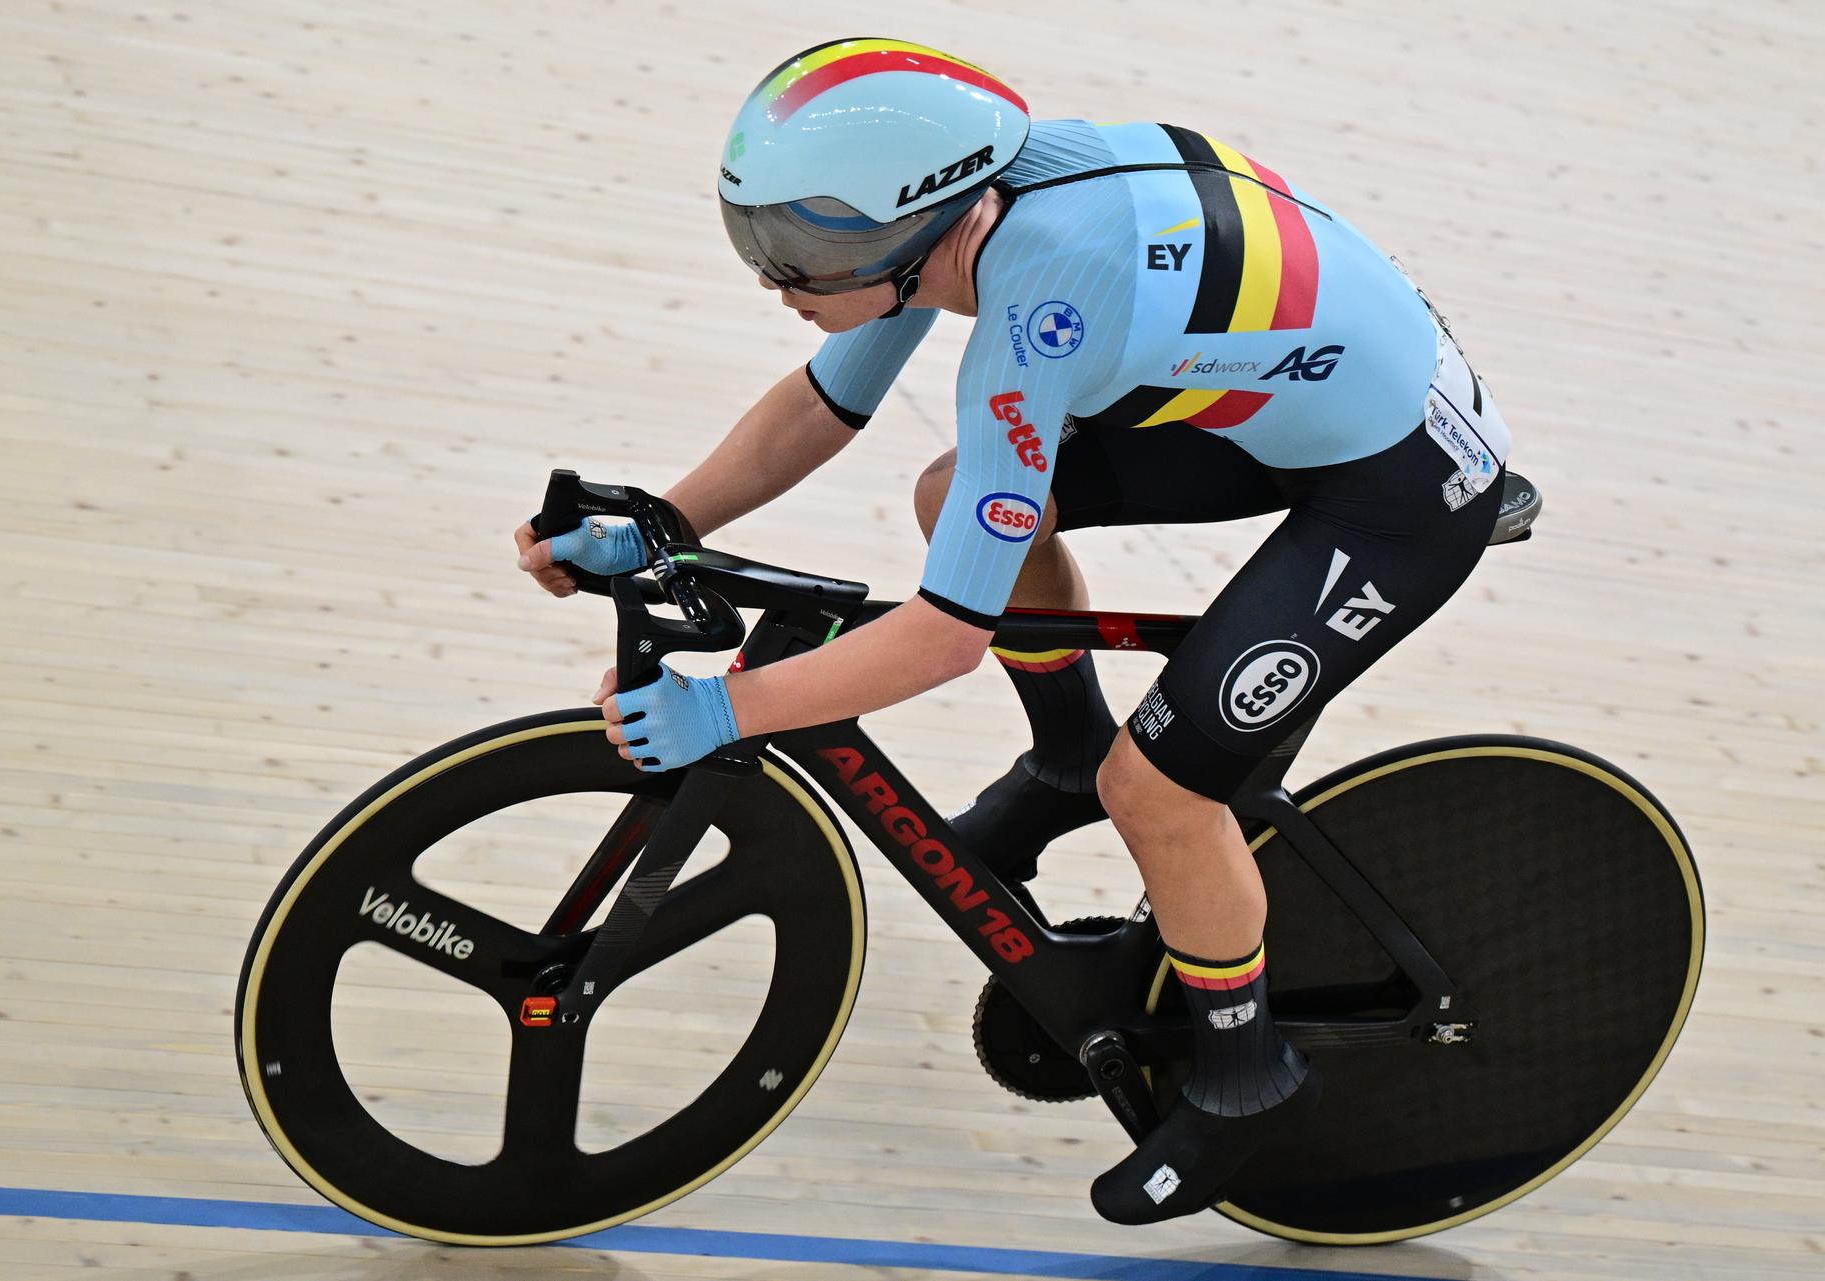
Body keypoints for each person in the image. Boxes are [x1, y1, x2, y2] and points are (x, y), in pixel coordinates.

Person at [514, 37, 1512, 1224]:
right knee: (962, 498)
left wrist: (725, 710)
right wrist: (666, 521)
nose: (778, 276)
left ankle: (1251, 1075)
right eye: (759, 237)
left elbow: (942, 636)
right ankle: (1061, 757)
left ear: (918, 227)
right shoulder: (961, 219)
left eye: (808, 251)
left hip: (1399, 486)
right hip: (1267, 395)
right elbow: (826, 402)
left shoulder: (1038, 304)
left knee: (1163, 794)